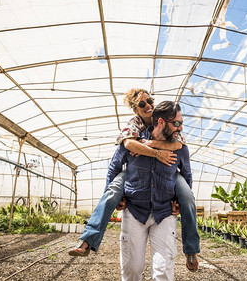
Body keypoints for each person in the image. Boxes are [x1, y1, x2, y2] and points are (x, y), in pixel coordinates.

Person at [68, 89, 199, 271]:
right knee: (112, 191)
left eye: (150, 101)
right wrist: (151, 151)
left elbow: (179, 146)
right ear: (135, 110)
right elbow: (125, 148)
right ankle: (88, 239)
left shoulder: (171, 129)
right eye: (142, 104)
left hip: (165, 201)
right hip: (132, 188)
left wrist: (151, 145)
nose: (149, 106)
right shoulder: (134, 128)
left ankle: (191, 249)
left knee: (187, 196)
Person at [111, 101, 191, 280]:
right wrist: (117, 197)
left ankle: (191, 250)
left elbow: (186, 176)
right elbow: (114, 167)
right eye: (176, 123)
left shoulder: (180, 148)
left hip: (164, 213)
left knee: (163, 270)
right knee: (132, 268)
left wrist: (180, 202)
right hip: (134, 211)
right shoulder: (134, 141)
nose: (180, 128)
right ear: (161, 122)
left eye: (181, 123)